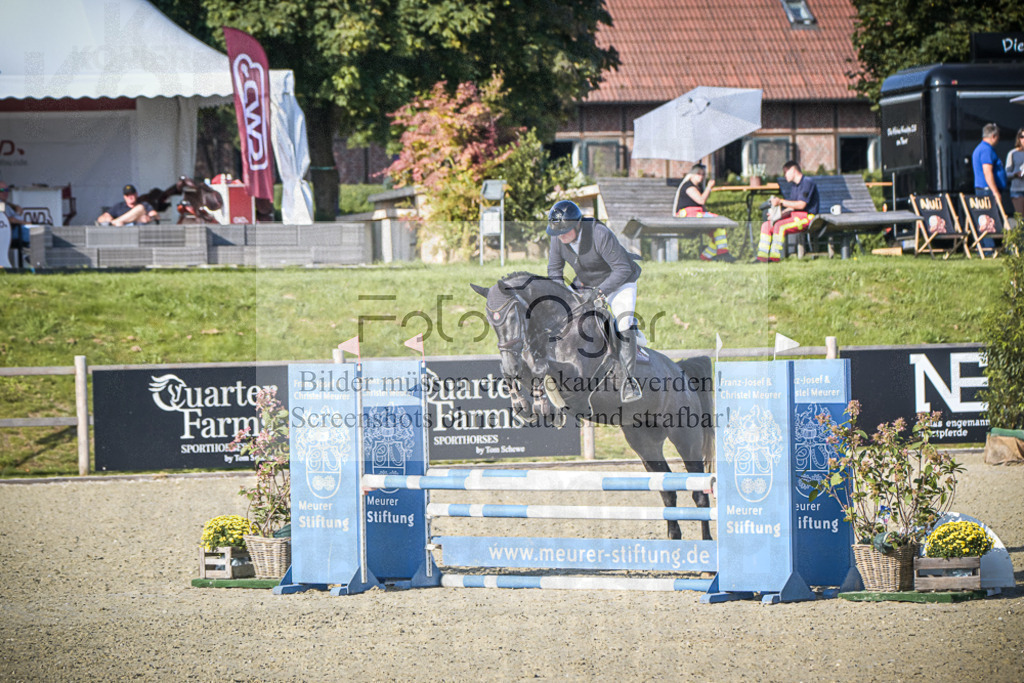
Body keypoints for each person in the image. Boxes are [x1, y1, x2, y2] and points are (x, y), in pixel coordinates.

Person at [546, 199, 645, 402]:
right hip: (587, 282)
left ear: (578, 224)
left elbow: (622, 268)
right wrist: (562, 295)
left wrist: (600, 292)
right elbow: (554, 270)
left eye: (565, 231)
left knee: (623, 322)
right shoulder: (558, 237)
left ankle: (628, 382)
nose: (561, 236)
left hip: (619, 281)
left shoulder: (599, 234)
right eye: (557, 232)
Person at [756, 160, 818, 262]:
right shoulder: (794, 186)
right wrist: (777, 216)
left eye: (785, 172)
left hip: (807, 218)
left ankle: (774, 258)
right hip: (795, 216)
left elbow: (801, 205)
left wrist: (780, 202)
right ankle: (761, 258)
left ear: (793, 170)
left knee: (779, 226)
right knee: (766, 225)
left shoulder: (807, 183)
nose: (784, 176)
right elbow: (791, 207)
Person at [673, 164, 734, 262]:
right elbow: (701, 200)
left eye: (703, 174)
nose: (701, 176)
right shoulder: (688, 186)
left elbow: (701, 206)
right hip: (688, 215)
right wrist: (709, 187)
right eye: (698, 173)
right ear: (692, 174)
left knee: (719, 230)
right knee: (718, 221)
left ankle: (708, 256)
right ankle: (722, 254)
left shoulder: (698, 187)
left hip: (697, 214)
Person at [972, 123, 1009, 214]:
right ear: (993, 136)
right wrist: (995, 191)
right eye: (998, 136)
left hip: (985, 190)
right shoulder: (986, 150)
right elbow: (987, 172)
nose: (998, 139)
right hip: (988, 191)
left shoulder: (981, 148)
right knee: (993, 220)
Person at [1005, 127, 1024, 217]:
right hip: (1017, 190)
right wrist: (1015, 174)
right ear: (1018, 138)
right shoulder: (1012, 153)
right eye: (1022, 137)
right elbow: (1007, 173)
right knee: (1021, 219)